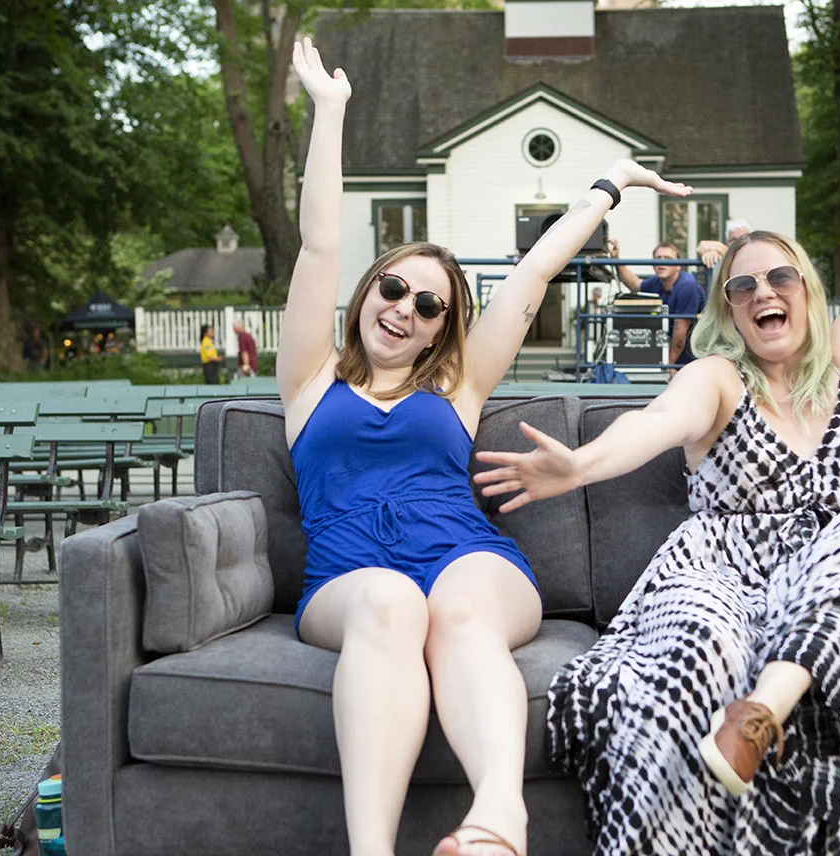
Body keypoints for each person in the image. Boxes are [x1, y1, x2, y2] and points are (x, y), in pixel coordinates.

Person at [473, 41, 840, 856]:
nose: (762, 291)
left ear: (806, 290)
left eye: (779, 278)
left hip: (828, 578)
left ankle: (761, 713)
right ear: (728, 311)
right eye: (742, 286)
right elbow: (653, 423)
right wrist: (581, 465)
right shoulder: (717, 378)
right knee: (698, 647)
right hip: (717, 573)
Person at [280, 37, 690, 856]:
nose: (404, 309)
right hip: (348, 574)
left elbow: (532, 275)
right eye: (393, 288)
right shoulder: (309, 381)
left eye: (429, 306)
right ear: (368, 293)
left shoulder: (456, 385)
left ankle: (499, 819)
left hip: (467, 557)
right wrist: (329, 111)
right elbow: (319, 245)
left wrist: (609, 185)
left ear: (442, 329)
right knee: (392, 604)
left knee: (455, 609)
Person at [611, 240, 706, 365]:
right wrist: (616, 259)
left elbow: (680, 334)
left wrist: (668, 366)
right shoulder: (657, 282)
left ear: (678, 265)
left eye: (667, 258)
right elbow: (634, 284)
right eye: (658, 258)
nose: (662, 262)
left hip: (693, 359)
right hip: (673, 355)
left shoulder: (687, 286)